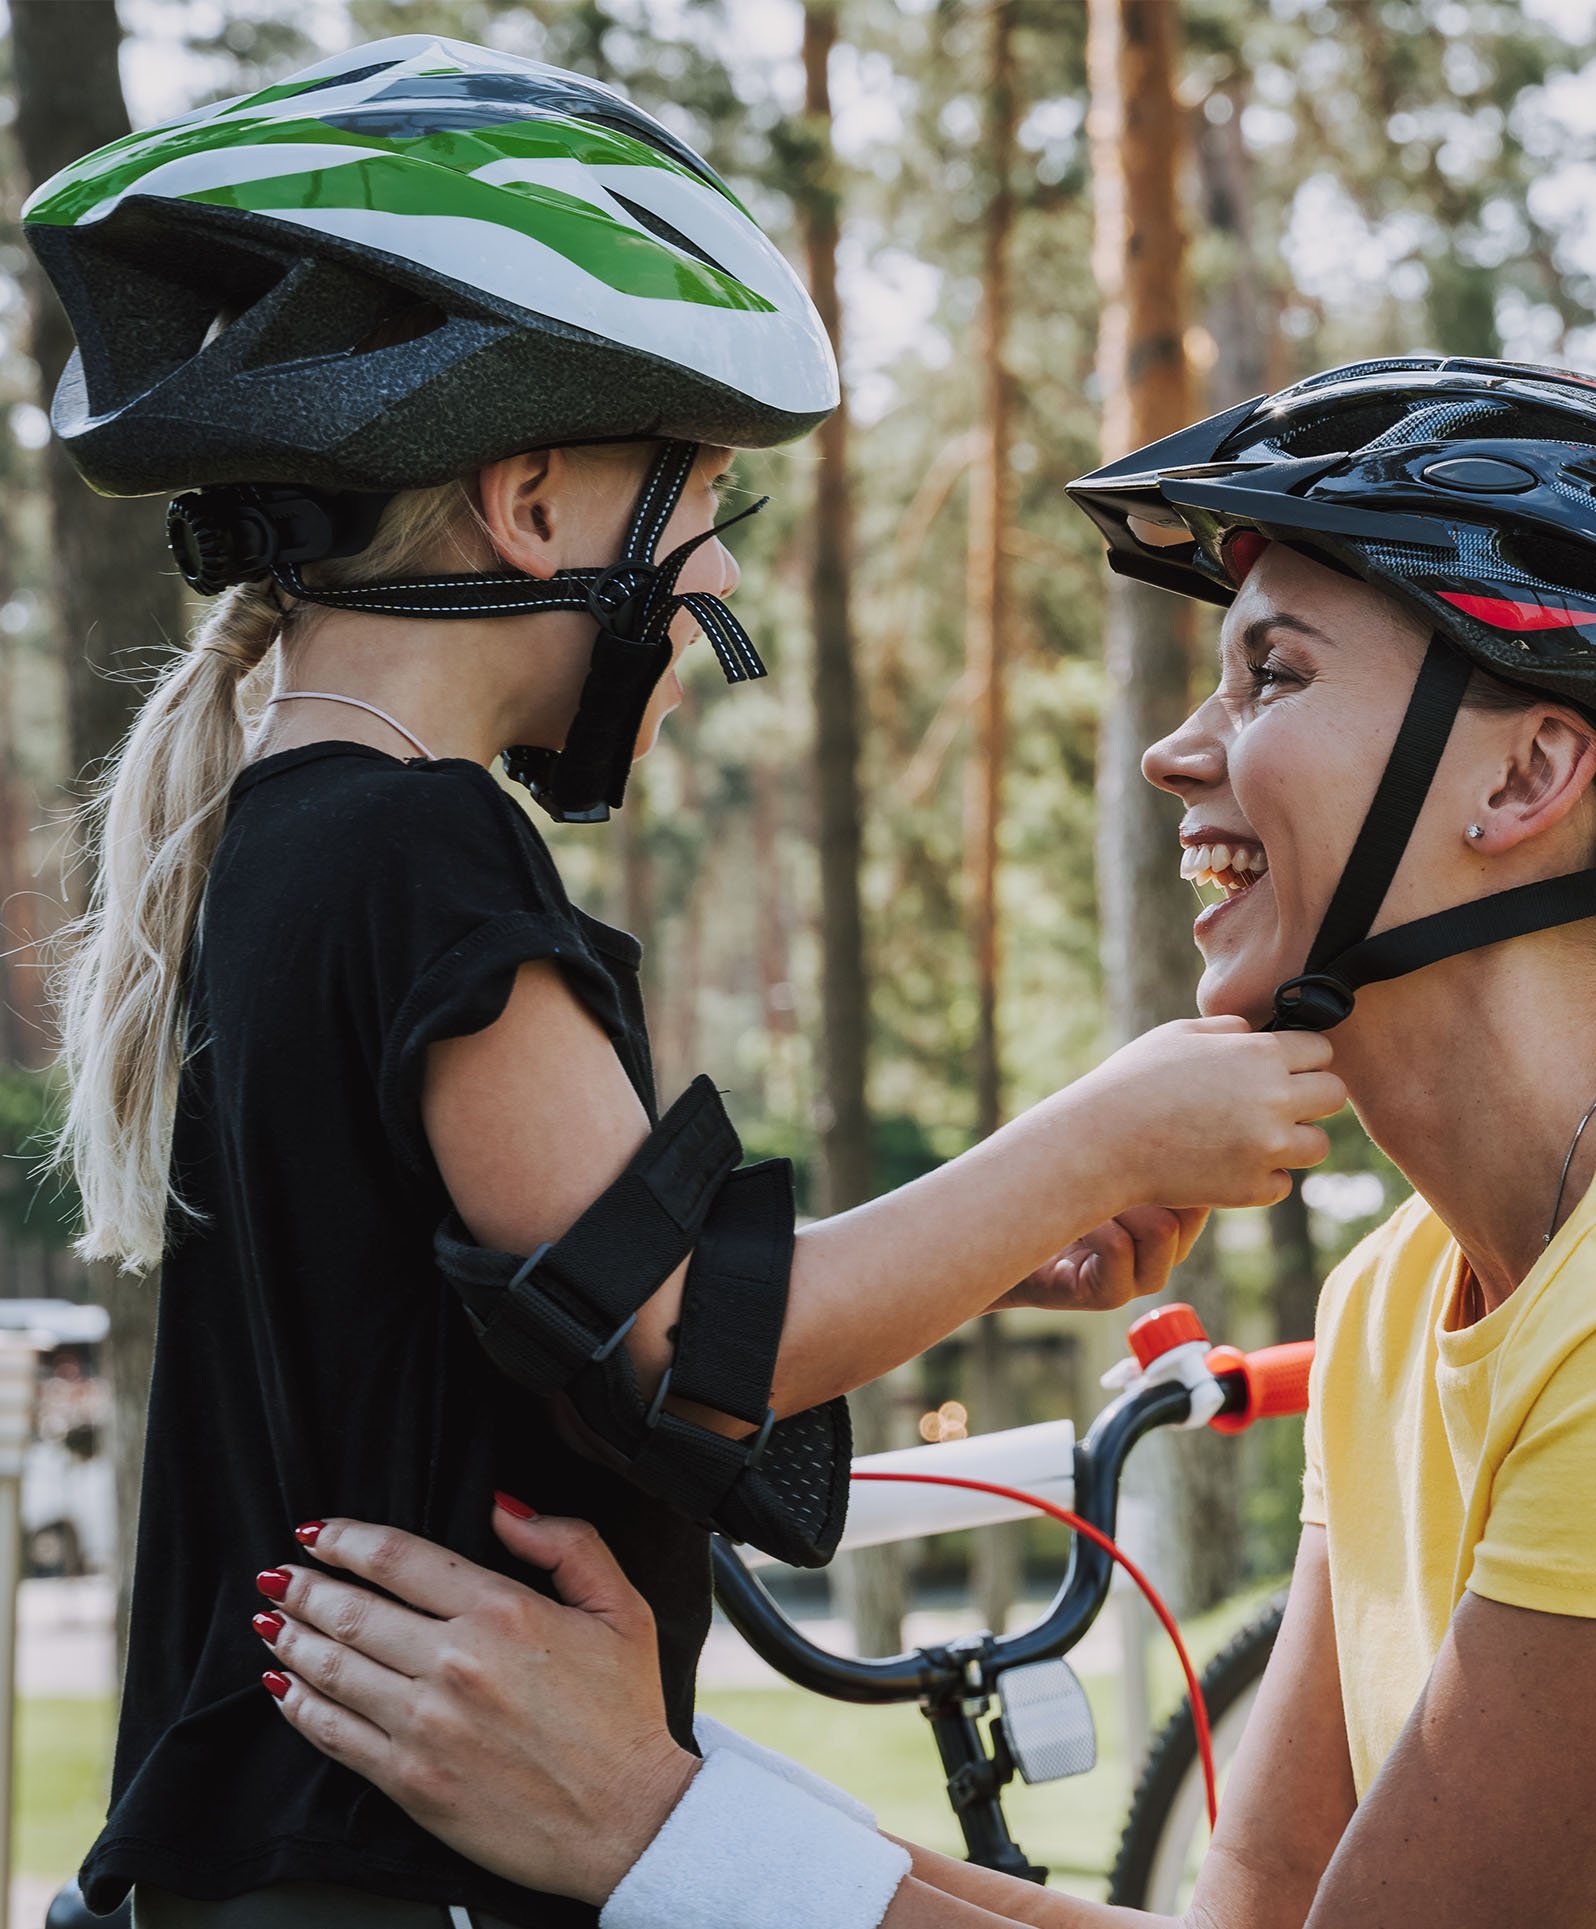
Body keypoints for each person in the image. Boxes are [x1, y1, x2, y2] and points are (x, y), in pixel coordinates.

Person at [242, 359, 1596, 1928]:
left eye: (1268, 672)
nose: (1181, 749)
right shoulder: (1396, 1302)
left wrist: (661, 1824)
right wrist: (674, 1821)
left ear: (1529, 771)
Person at [28, 40, 1339, 1929]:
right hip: (409, 1876)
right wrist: (1103, 1128)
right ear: (536, 502)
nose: (715, 564)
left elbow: (582, 1334)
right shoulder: (421, 851)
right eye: (701, 494)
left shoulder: (282, 842)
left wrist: (997, 1236)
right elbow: (698, 1342)